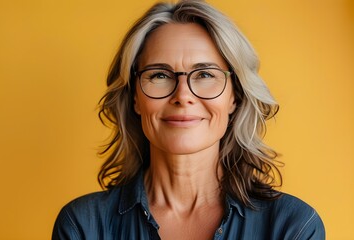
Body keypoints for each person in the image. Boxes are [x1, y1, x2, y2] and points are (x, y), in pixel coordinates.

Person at [52, 0, 325, 239]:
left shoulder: (293, 227)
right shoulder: (82, 226)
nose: (183, 96)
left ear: (235, 97)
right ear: (135, 96)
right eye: (159, 75)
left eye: (205, 74)